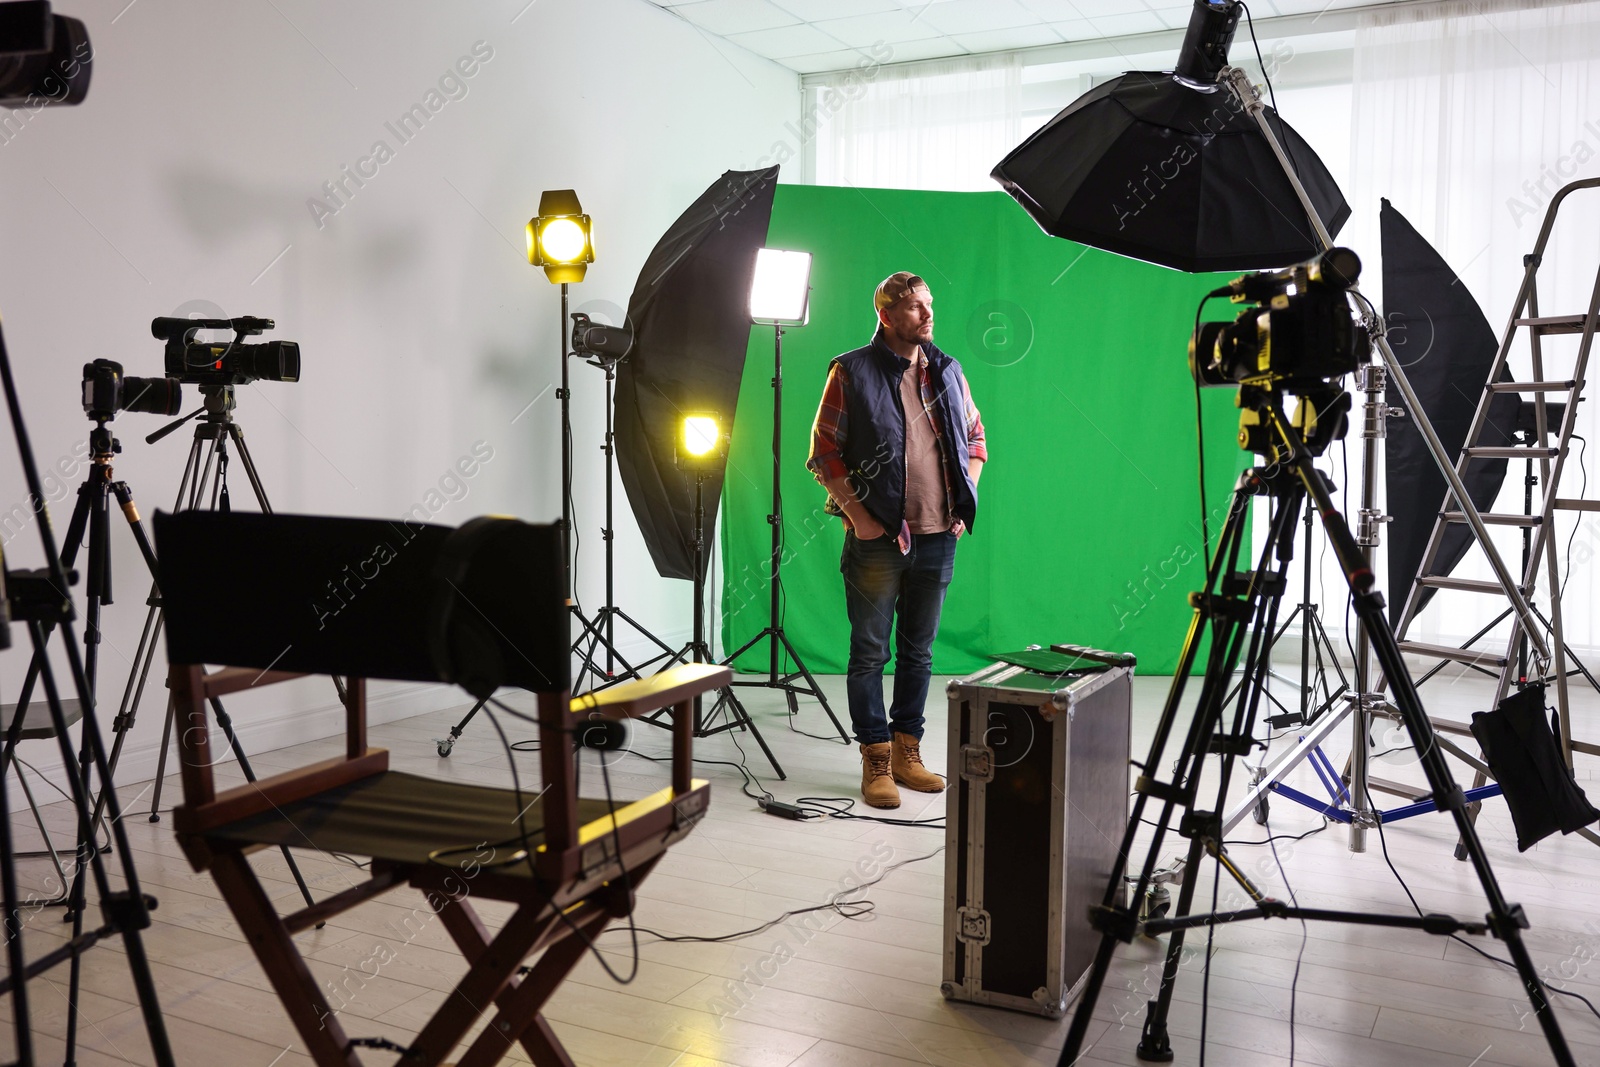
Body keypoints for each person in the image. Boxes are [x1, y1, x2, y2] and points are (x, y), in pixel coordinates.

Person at [806, 271, 987, 809]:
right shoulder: (852, 371)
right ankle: (876, 758)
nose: (927, 315)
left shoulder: (948, 370)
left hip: (938, 536)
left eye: (929, 304)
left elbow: (975, 437)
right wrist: (859, 517)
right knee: (868, 653)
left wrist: (965, 495)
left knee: (919, 652)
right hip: (879, 538)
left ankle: (909, 751)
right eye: (913, 307)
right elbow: (825, 453)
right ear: (885, 315)